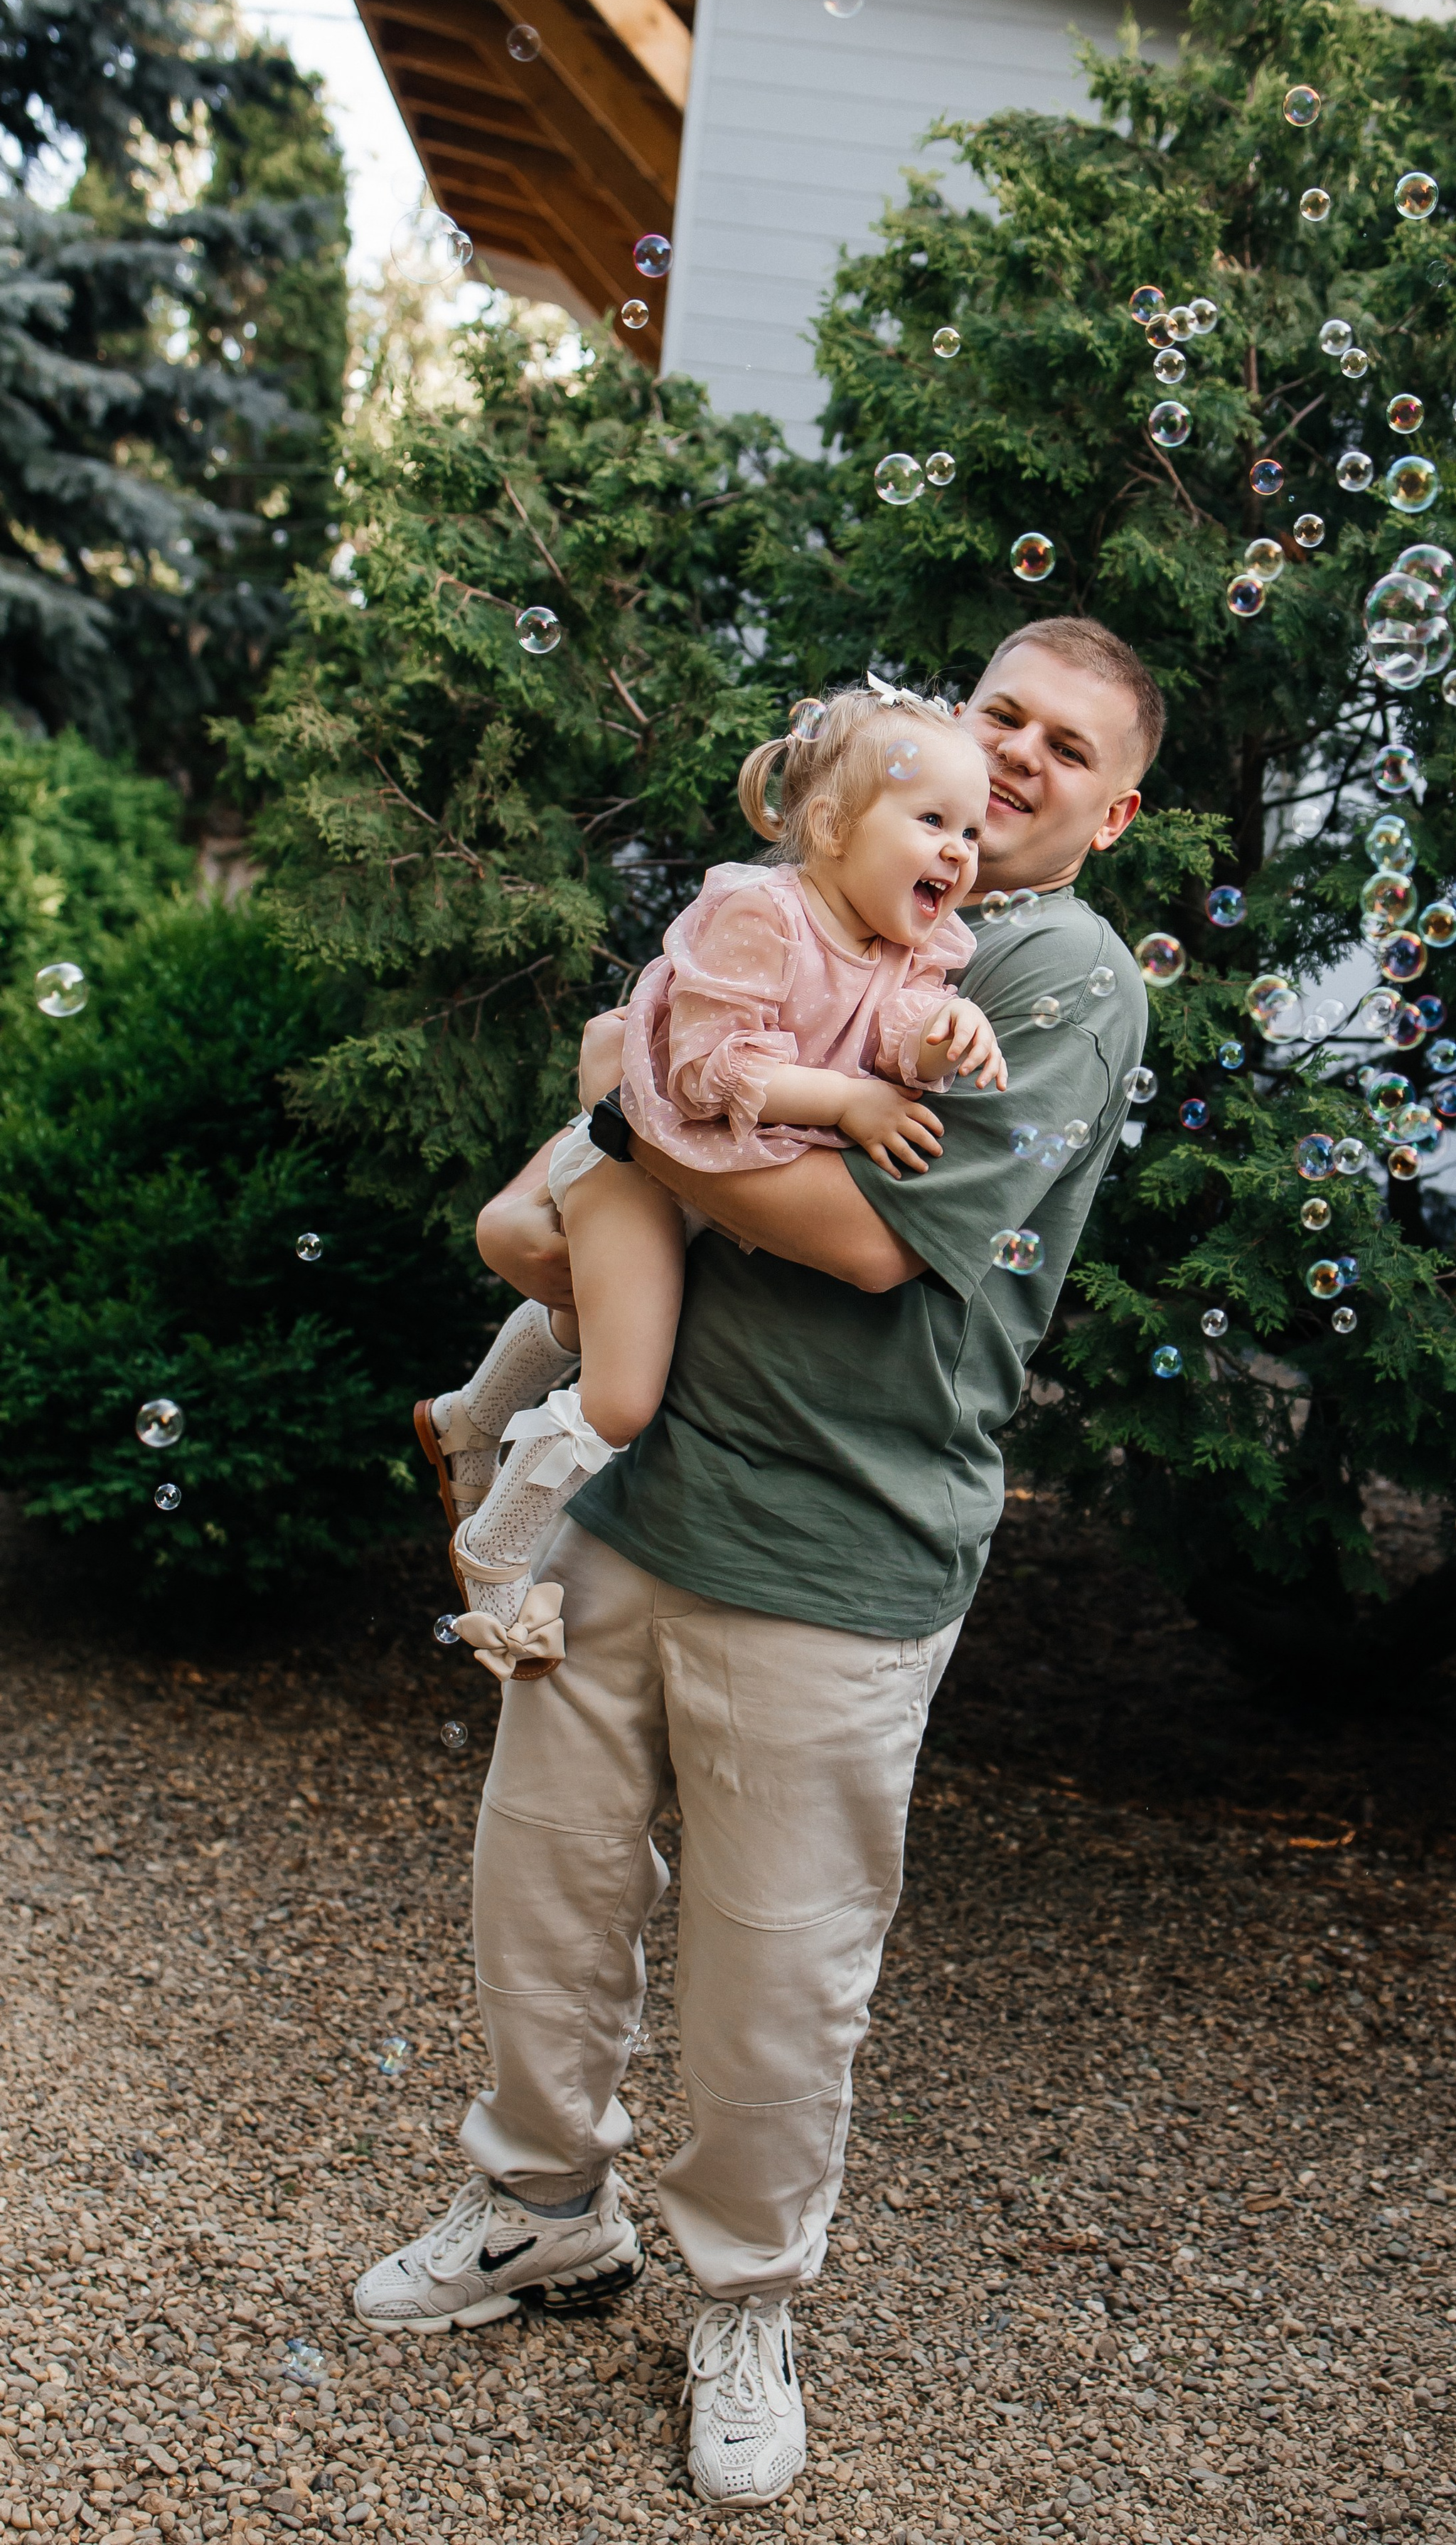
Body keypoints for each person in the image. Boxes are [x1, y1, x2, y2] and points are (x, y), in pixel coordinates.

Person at [353, 616, 1164, 2512]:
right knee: (543, 1890)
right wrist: (643, 1102)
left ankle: (744, 2299)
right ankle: (540, 2206)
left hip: (835, 1546)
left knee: (775, 1972)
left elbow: (861, 1232)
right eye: (1000, 716)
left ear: (1114, 813)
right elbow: (644, 1119)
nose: (1018, 759)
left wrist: (631, 1101)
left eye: (1068, 748)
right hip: (637, 1493)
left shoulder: (1050, 972)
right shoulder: (825, 907)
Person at [419, 684, 1007, 1673]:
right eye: (932, 822)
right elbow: (704, 1071)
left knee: (593, 1316)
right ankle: (495, 1552)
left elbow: (902, 1037)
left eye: (972, 832)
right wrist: (848, 1102)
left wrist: (954, 1034)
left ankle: (468, 1420)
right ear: (832, 828)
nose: (959, 851)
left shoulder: (910, 949)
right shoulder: (760, 914)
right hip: (638, 1167)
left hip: (715, 1180)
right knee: (621, 1394)